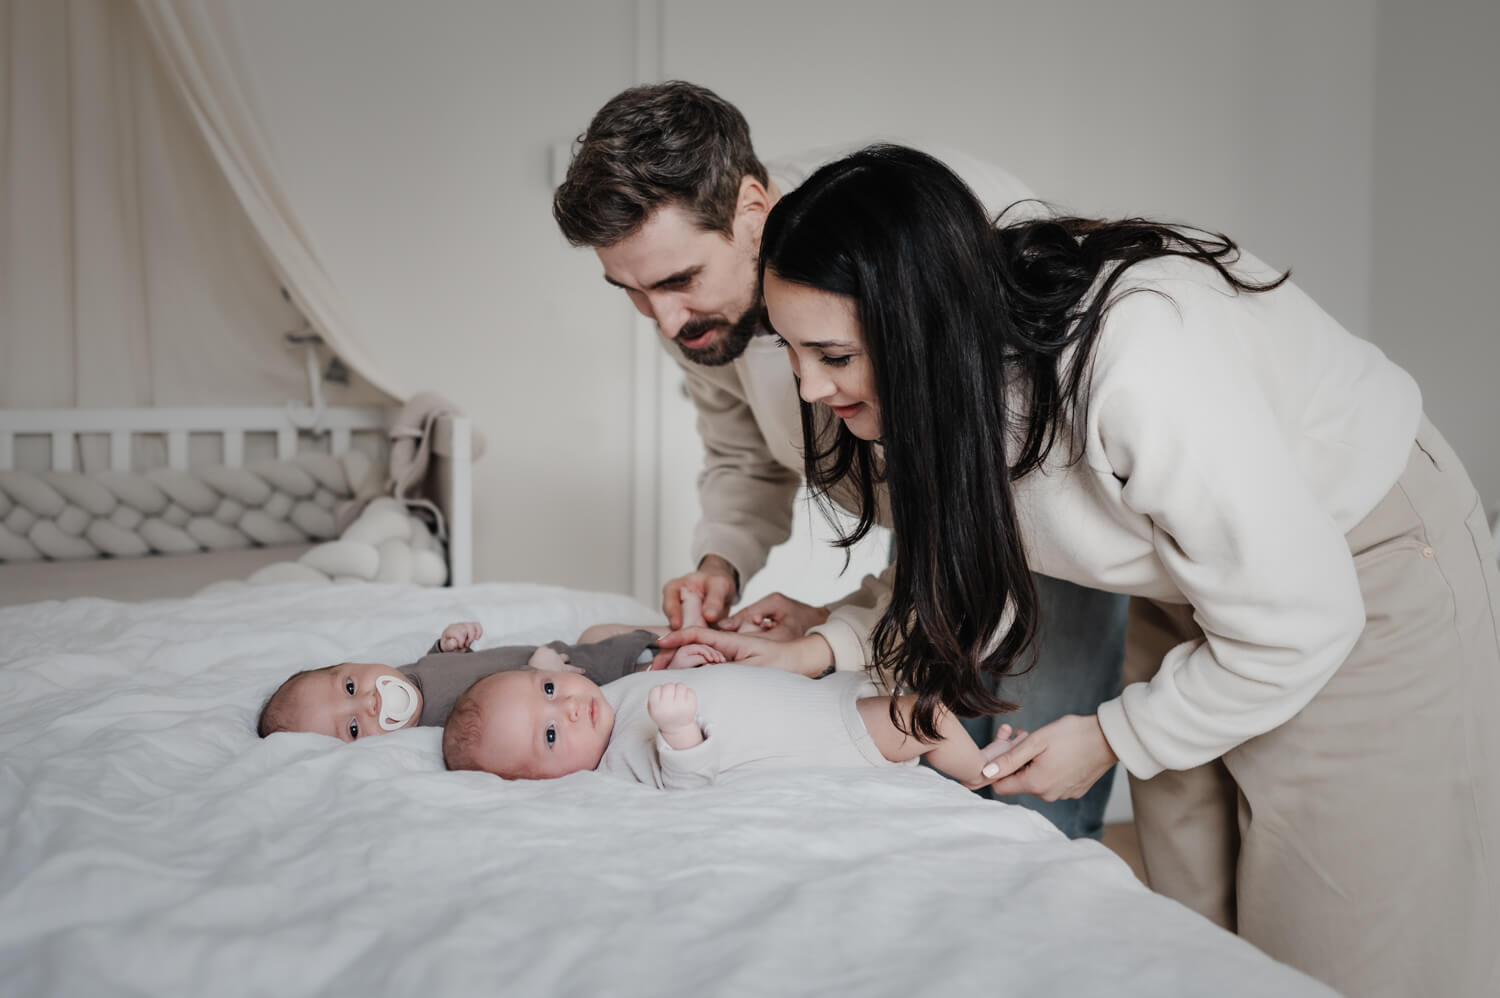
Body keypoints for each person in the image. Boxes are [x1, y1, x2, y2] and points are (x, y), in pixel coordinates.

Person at [657, 143, 1499, 997]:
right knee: (1196, 933)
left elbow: (1301, 616)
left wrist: (1111, 738)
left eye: (832, 358)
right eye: (792, 351)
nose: (807, 390)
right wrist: (824, 646)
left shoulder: (1140, 363)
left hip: (1356, 574)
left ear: (923, 325)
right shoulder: (946, 392)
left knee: (1340, 954)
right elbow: (965, 569)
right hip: (1199, 586)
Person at [552, 81, 1126, 837]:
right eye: (628, 290)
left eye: (677, 281)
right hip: (932, 544)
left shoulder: (922, 235)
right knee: (930, 778)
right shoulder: (700, 316)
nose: (661, 318)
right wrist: (721, 561)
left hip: (1051, 524)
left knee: (1034, 798)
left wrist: (834, 640)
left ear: (752, 211)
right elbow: (743, 455)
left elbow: (988, 505)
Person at [442, 660, 1023, 790]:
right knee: (924, 715)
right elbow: (687, 781)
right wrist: (678, 732)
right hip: (828, 734)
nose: (567, 706)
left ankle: (978, 759)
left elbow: (635, 679)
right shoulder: (614, 761)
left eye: (548, 690)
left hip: (816, 696)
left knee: (922, 680)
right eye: (550, 735)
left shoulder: (604, 700)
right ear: (546, 779)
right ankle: (980, 772)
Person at [256, 620, 724, 740]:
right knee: (615, 670)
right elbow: (509, 712)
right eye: (355, 728)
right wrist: (539, 673)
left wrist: (450, 645)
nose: (371, 705)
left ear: (353, 665)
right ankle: (668, 666)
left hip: (557, 657)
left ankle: (700, 629)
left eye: (351, 689)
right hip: (566, 685)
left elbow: (445, 666)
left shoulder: (409, 674)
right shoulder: (440, 724)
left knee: (600, 634)